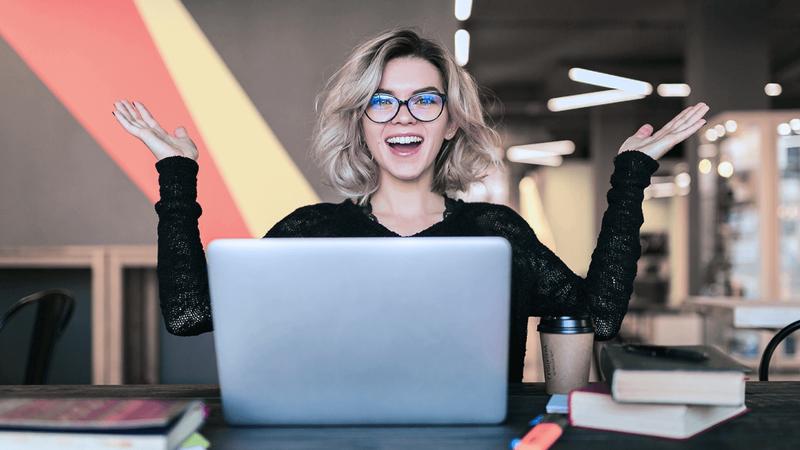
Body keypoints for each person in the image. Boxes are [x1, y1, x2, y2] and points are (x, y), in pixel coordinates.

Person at [112, 28, 709, 382]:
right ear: (361, 125)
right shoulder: (311, 231)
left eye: (425, 100)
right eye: (382, 102)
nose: (403, 117)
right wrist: (177, 174)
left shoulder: (494, 233)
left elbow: (598, 317)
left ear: (450, 123)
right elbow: (190, 316)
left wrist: (632, 177)